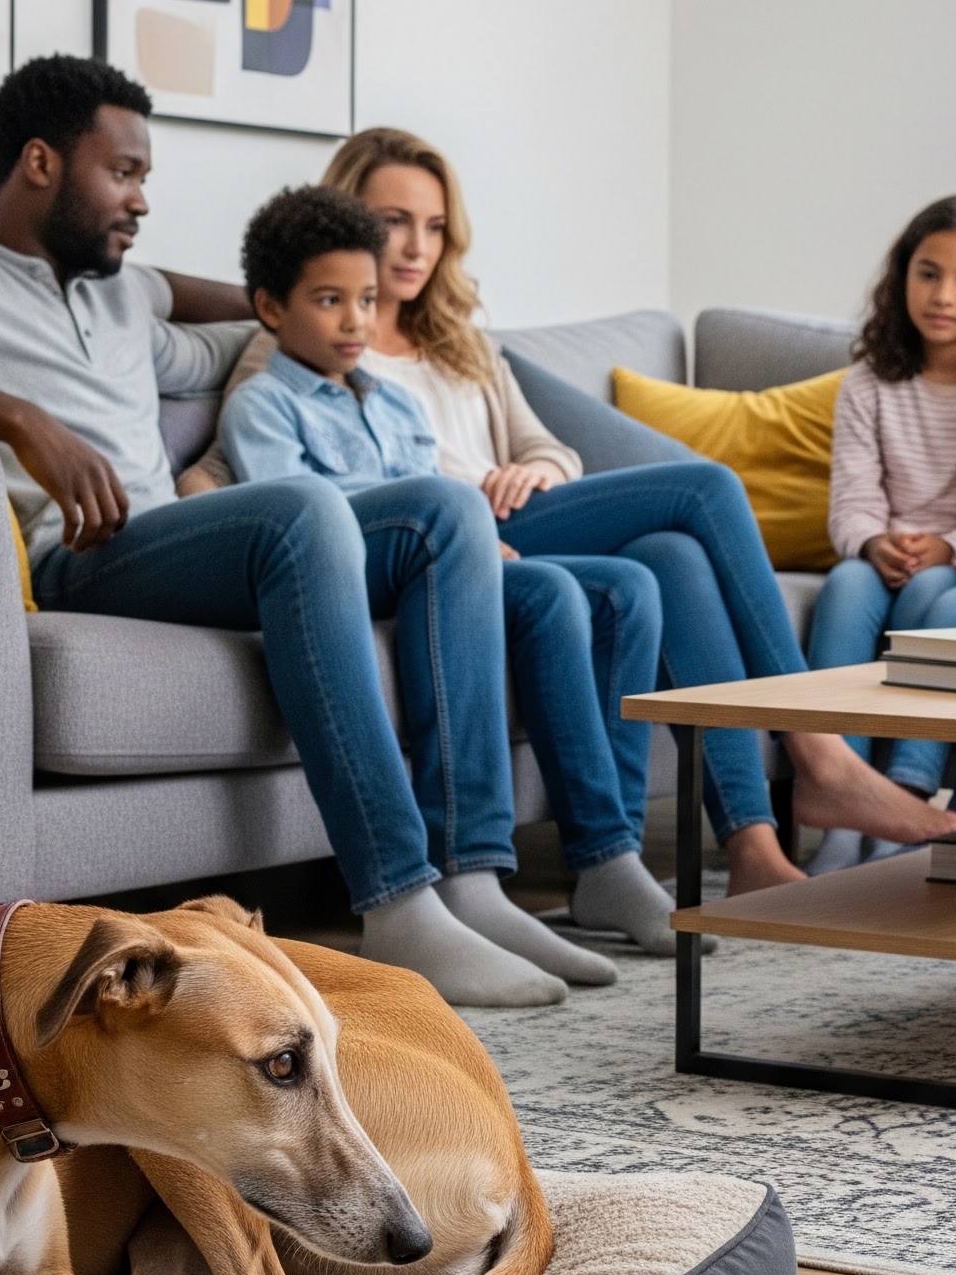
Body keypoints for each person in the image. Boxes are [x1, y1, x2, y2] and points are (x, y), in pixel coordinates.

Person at [0, 55, 568, 1010]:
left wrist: (304, 289)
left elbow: (249, 307)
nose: (143, 199)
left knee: (443, 513)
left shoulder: (122, 292)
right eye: (125, 173)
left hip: (175, 541)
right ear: (39, 163)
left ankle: (472, 876)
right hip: (80, 552)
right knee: (305, 509)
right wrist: (25, 423)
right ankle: (396, 898)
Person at [315, 126, 956, 895]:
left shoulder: (461, 343)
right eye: (394, 222)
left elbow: (552, 447)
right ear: (347, 218)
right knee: (705, 488)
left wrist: (534, 469)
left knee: (674, 558)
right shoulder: (322, 338)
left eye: (433, 226)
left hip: (521, 515)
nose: (416, 246)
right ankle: (820, 752)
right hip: (453, 544)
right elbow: (252, 461)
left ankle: (753, 846)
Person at [217, 183, 669, 976]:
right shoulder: (263, 404)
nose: (357, 320)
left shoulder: (391, 404)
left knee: (574, 591)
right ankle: (469, 873)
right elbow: (295, 515)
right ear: (270, 307)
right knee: (458, 517)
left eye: (364, 298)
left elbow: (432, 487)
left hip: (429, 569)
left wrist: (471, 544)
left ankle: (601, 856)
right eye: (330, 301)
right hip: (344, 575)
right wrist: (453, 522)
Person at [802, 197, 956, 872]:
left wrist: (950, 547)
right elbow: (850, 500)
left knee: (937, 594)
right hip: (882, 552)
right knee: (845, 586)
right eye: (927, 274)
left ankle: (899, 797)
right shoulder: (869, 383)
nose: (942, 296)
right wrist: (874, 543)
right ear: (902, 277)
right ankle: (838, 800)